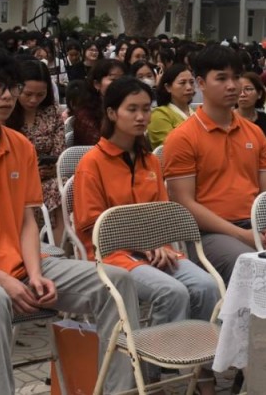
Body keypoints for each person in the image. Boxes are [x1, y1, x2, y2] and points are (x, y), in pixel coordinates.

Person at [0, 45, 140, 394]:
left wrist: (34, 273)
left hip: (21, 262)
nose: (7, 96)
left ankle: (118, 390)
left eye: (12, 87)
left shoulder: (20, 146)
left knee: (116, 282)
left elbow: (27, 222)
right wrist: (3, 281)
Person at [74, 77, 219, 394]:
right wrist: (145, 243)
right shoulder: (92, 163)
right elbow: (91, 224)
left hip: (156, 249)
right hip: (111, 256)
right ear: (112, 113)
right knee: (173, 293)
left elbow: (162, 213)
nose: (141, 117)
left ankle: (196, 369)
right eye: (132, 110)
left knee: (207, 286)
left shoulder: (150, 160)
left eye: (146, 110)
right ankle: (152, 376)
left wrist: (161, 243)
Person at [164, 45, 266, 283]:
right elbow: (185, 204)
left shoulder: (255, 133)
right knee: (251, 263)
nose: (232, 85)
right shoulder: (182, 137)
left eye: (237, 77)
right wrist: (243, 234)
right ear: (201, 83)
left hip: (256, 224)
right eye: (221, 78)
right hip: (209, 233)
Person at [6, 60, 66, 246]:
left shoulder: (52, 111)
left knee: (60, 188)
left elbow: (59, 150)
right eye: (28, 94)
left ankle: (60, 247)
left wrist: (49, 167)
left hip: (47, 175)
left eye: (40, 94)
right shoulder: (5, 111)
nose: (34, 100)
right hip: (13, 177)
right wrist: (29, 173)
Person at [73, 59, 127, 146]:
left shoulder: (127, 107)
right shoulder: (85, 113)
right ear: (97, 84)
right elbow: (100, 145)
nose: (120, 84)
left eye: (123, 79)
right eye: (113, 80)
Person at [147, 63, 195, 148]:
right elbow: (170, 148)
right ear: (168, 87)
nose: (189, 87)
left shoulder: (195, 112)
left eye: (191, 82)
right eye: (182, 83)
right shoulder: (160, 115)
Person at [235, 71, 266, 138]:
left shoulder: (265, 120)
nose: (242, 94)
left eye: (248, 89)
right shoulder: (227, 120)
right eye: (238, 89)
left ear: (259, 94)